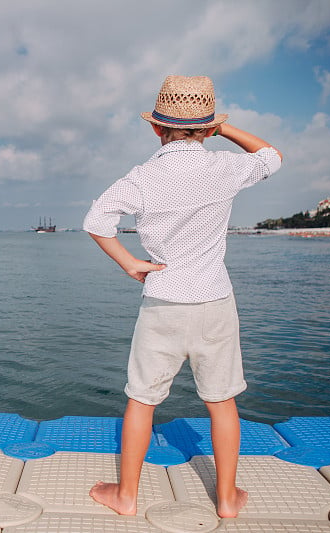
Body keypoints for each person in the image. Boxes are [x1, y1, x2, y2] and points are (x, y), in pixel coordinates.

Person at [83, 75, 283, 519]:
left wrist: (129, 263)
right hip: (215, 301)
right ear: (208, 128)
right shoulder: (225, 168)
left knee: (142, 399)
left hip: (163, 302)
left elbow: (96, 220)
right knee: (222, 400)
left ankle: (127, 496)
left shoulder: (143, 177)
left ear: (157, 128)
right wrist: (223, 128)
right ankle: (228, 499)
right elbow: (271, 156)